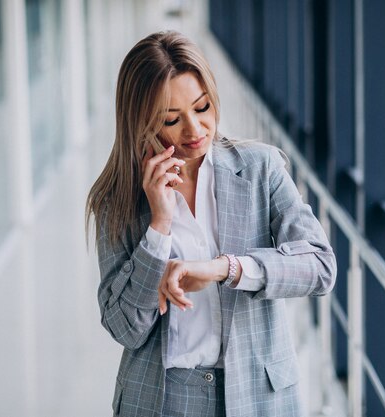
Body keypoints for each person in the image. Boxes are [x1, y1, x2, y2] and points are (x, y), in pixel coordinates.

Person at [85, 30, 336, 417]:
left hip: (257, 394)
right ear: (140, 122)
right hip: (164, 399)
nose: (195, 130)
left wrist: (227, 269)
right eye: (172, 119)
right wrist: (159, 226)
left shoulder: (260, 168)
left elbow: (320, 266)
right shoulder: (116, 200)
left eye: (202, 108)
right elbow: (125, 328)